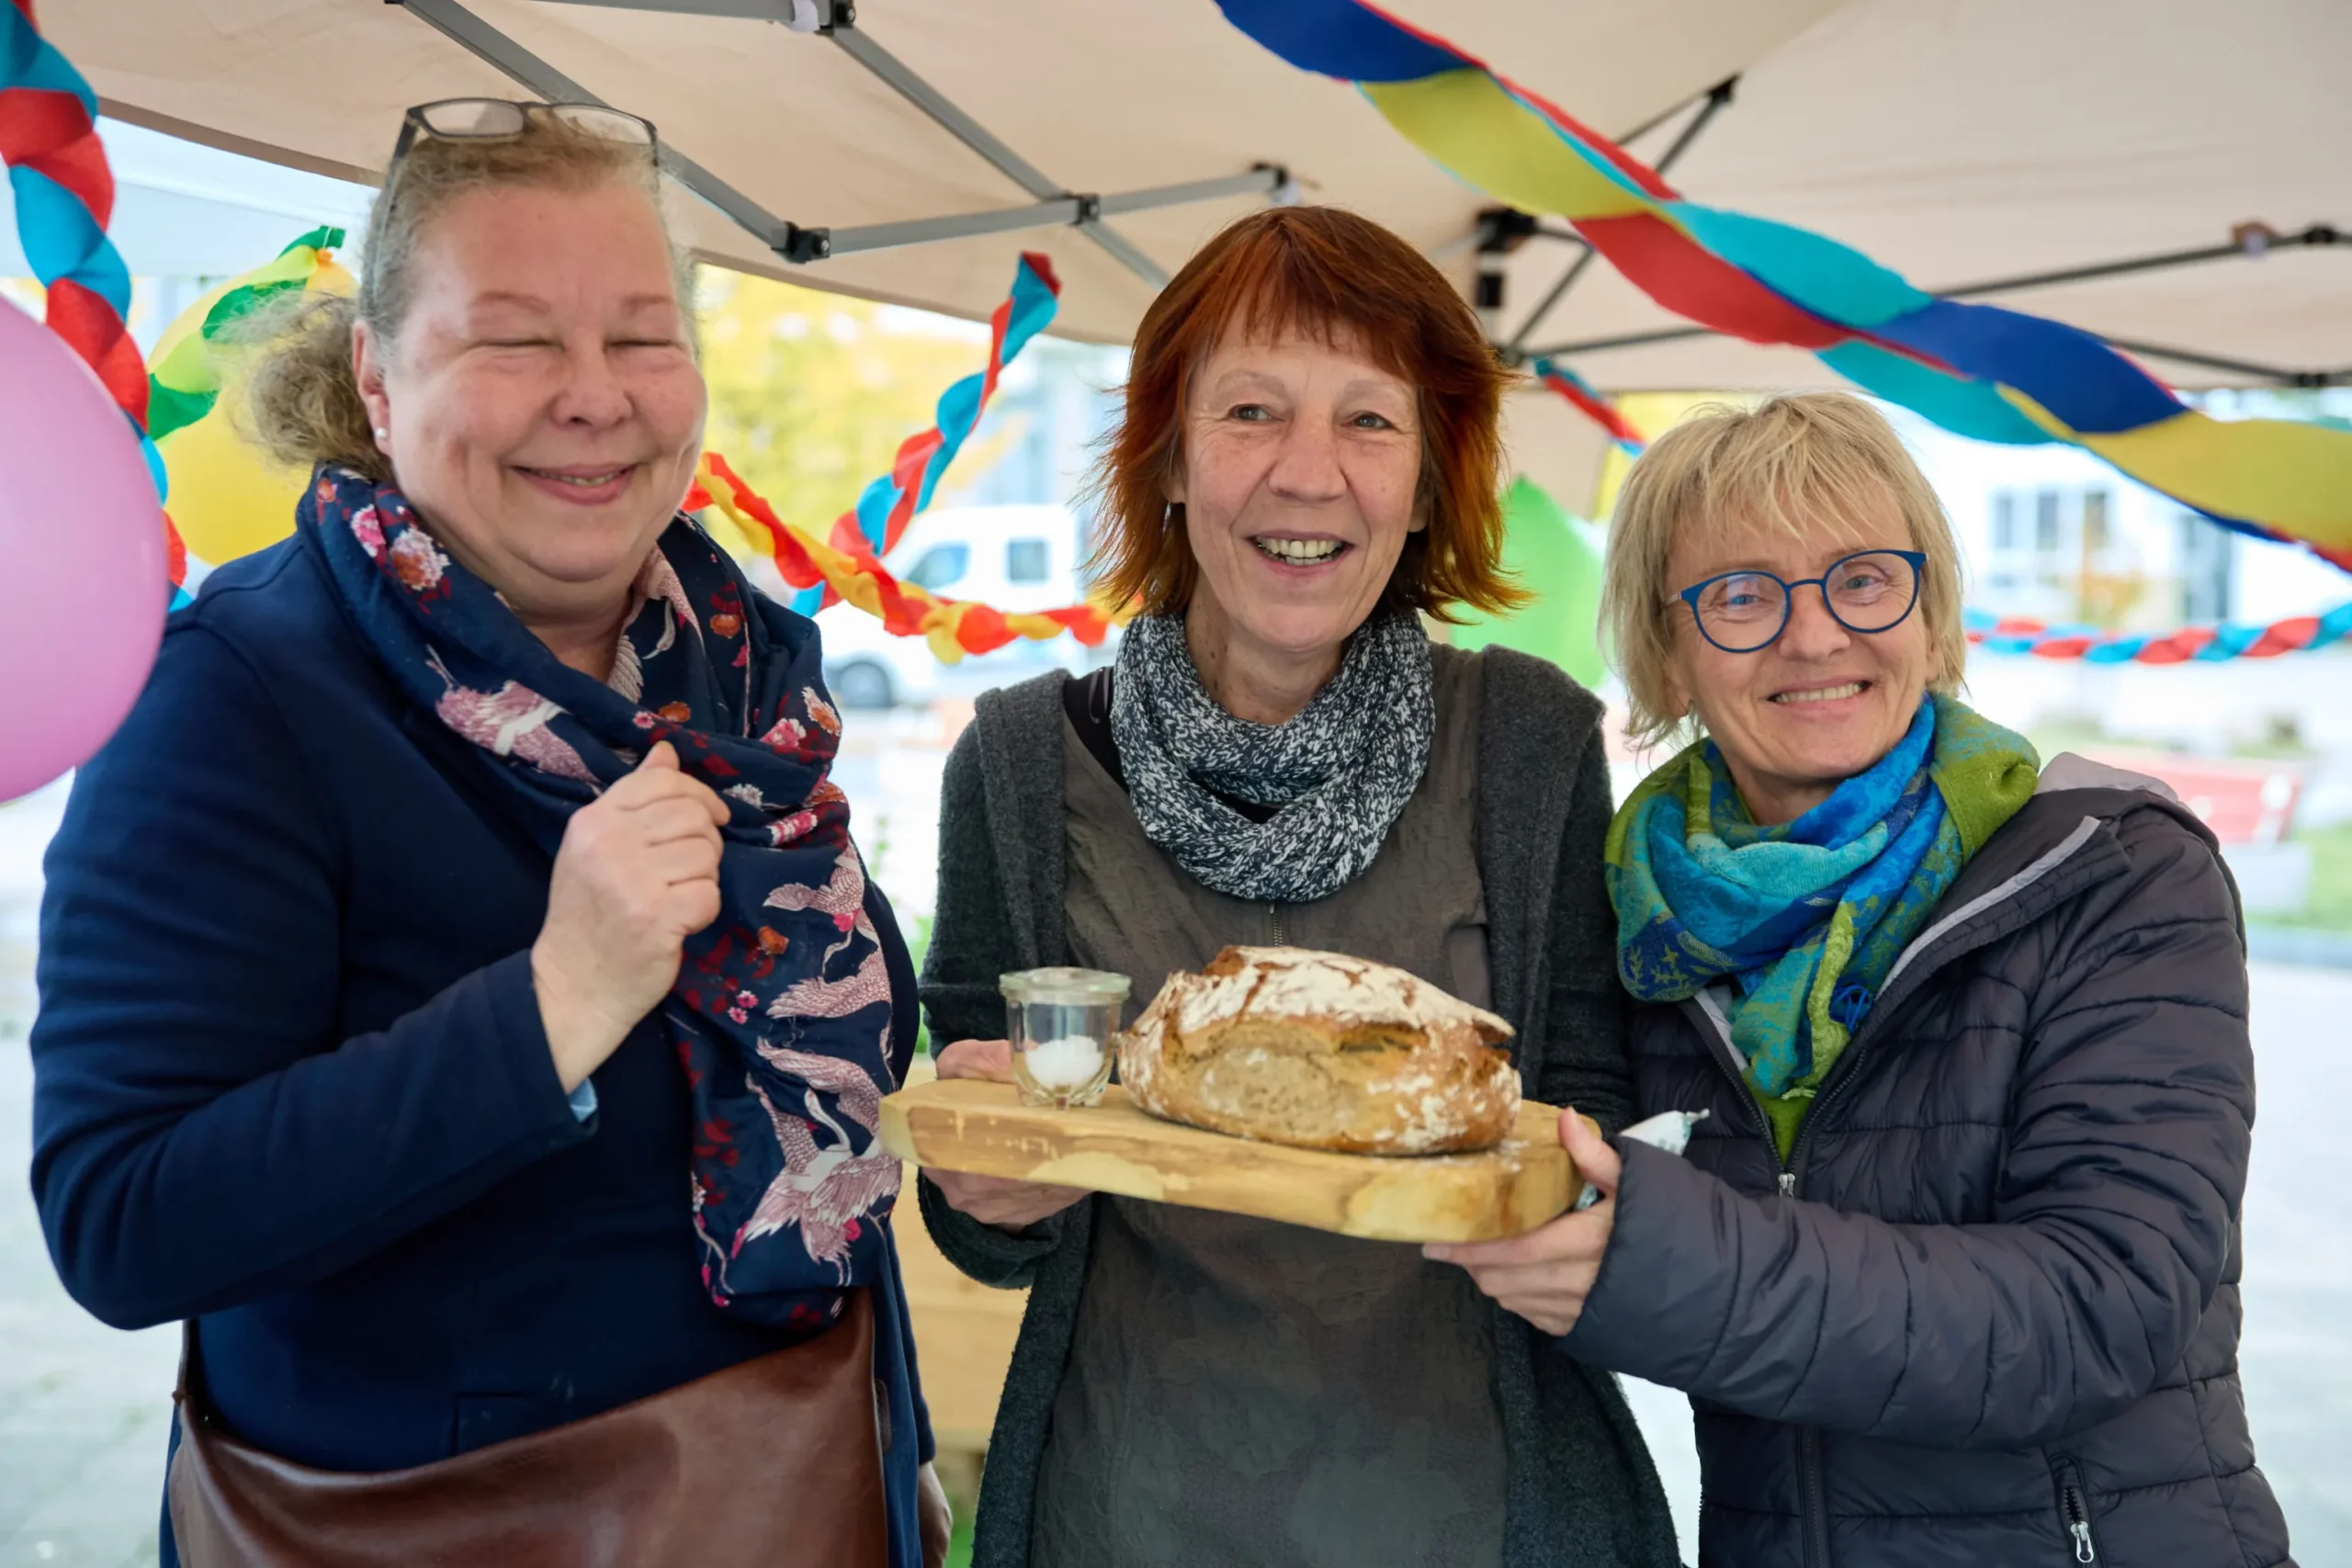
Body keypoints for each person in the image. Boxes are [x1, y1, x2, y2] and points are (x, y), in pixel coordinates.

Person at [30, 100, 949, 1567]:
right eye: (513, 338)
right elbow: (124, 1217)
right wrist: (554, 1001)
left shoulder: (750, 671)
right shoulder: (238, 689)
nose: (594, 395)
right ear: (377, 380)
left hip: (804, 1477)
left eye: (642, 336)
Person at [914, 205, 1679, 1568]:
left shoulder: (1530, 741)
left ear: (1437, 478)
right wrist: (989, 1190)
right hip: (1124, 1494)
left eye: (1371, 421)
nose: (1308, 474)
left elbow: (1591, 1117)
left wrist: (1592, 1216)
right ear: (1166, 457)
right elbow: (987, 1189)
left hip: (1469, 1498)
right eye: (1252, 409)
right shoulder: (1019, 765)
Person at [1430, 392, 2294, 1567]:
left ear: (1930, 616)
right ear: (1665, 655)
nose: (1815, 635)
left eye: (1863, 579)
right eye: (1739, 595)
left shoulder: (2111, 872)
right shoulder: (1638, 922)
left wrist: (1662, 1259)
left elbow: (2104, 1307)